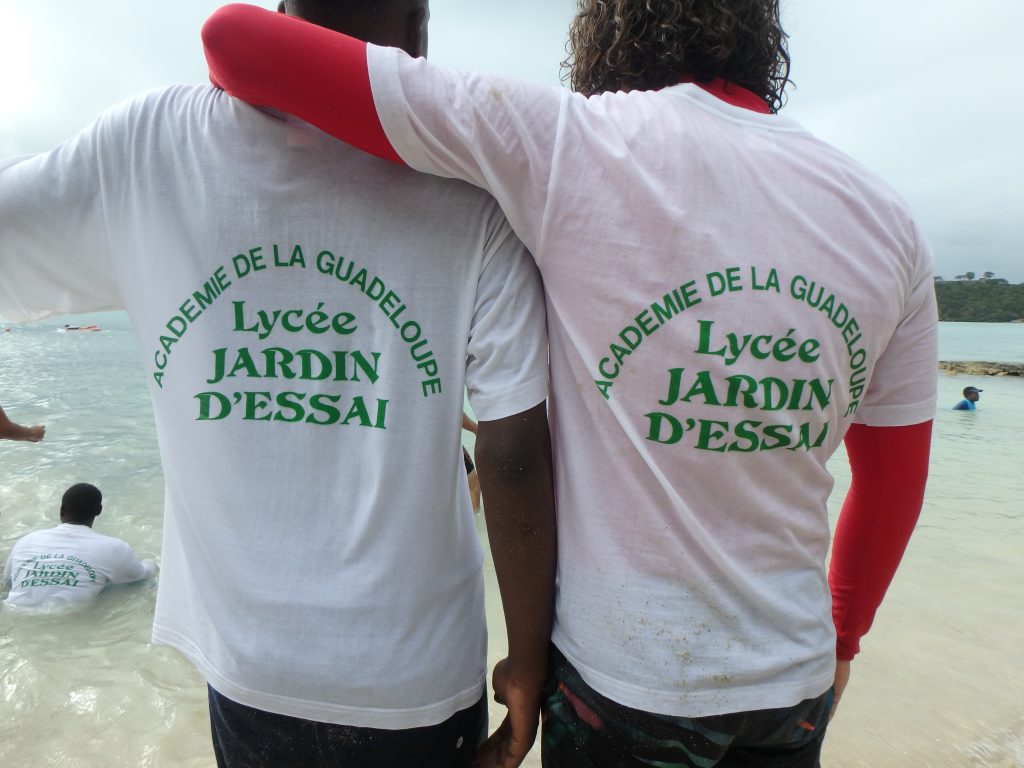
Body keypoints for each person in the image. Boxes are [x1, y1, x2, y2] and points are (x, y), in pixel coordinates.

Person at [202, 2, 938, 765]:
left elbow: (236, 43)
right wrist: (843, 638)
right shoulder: (887, 221)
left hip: (622, 691)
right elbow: (892, 488)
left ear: (608, 31)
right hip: (791, 689)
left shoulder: (569, 143)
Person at [0, 2, 555, 766]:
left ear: (284, 10)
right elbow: (515, 450)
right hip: (415, 669)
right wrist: (528, 664)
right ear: (419, 27)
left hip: (251, 667)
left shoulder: (150, 149)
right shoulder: (468, 176)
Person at [3, 483, 154, 609]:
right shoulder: (115, 548)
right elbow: (142, 576)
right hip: (66, 620)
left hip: (12, 610)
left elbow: (9, 582)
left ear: (61, 510)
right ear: (99, 511)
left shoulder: (26, 541)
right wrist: (153, 561)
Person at [462, 411, 481, 510]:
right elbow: (454, 413)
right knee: (474, 487)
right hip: (447, 446)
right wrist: (477, 430)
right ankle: (475, 518)